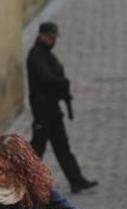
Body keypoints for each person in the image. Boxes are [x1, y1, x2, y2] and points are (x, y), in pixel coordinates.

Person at [27, 22, 99, 194]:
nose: (53, 41)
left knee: (62, 148)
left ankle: (76, 180)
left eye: (54, 38)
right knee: (36, 149)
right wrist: (61, 83)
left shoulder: (46, 54)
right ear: (42, 36)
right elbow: (46, 78)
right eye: (51, 37)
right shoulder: (36, 55)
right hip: (43, 110)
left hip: (52, 109)